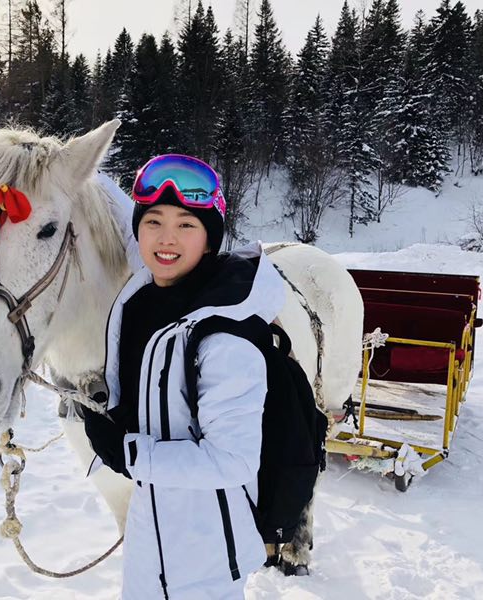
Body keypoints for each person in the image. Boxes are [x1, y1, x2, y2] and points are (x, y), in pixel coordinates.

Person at [82, 154, 286, 599]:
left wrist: (127, 454)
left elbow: (232, 461)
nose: (166, 238)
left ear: (210, 240)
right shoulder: (145, 300)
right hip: (149, 528)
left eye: (186, 225)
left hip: (207, 548)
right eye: (153, 221)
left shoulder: (225, 336)